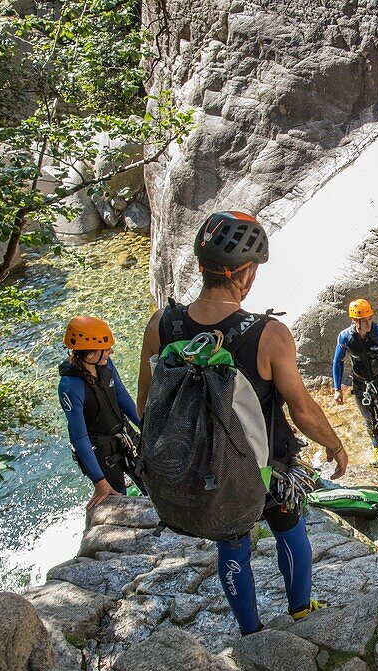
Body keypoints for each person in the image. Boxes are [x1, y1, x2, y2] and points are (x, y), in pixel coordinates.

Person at [137, 210, 348, 633]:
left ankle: (251, 633)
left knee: (232, 547)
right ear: (245, 274)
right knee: (290, 531)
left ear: (202, 266)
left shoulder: (162, 324)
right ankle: (301, 610)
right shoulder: (269, 334)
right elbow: (302, 410)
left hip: (205, 472)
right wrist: (335, 445)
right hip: (264, 466)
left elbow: (146, 406)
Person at [58, 316, 143, 511]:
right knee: (118, 496)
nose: (110, 352)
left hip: (124, 434)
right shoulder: (70, 386)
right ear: (89, 355)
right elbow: (79, 437)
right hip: (102, 450)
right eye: (105, 349)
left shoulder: (105, 365)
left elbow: (122, 396)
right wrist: (99, 481)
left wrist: (143, 427)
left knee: (150, 479)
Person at [332, 298, 378, 467]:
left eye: (370, 318)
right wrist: (337, 389)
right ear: (354, 320)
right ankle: (376, 449)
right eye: (365, 320)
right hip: (360, 384)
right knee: (369, 420)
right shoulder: (345, 337)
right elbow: (337, 362)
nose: (369, 322)